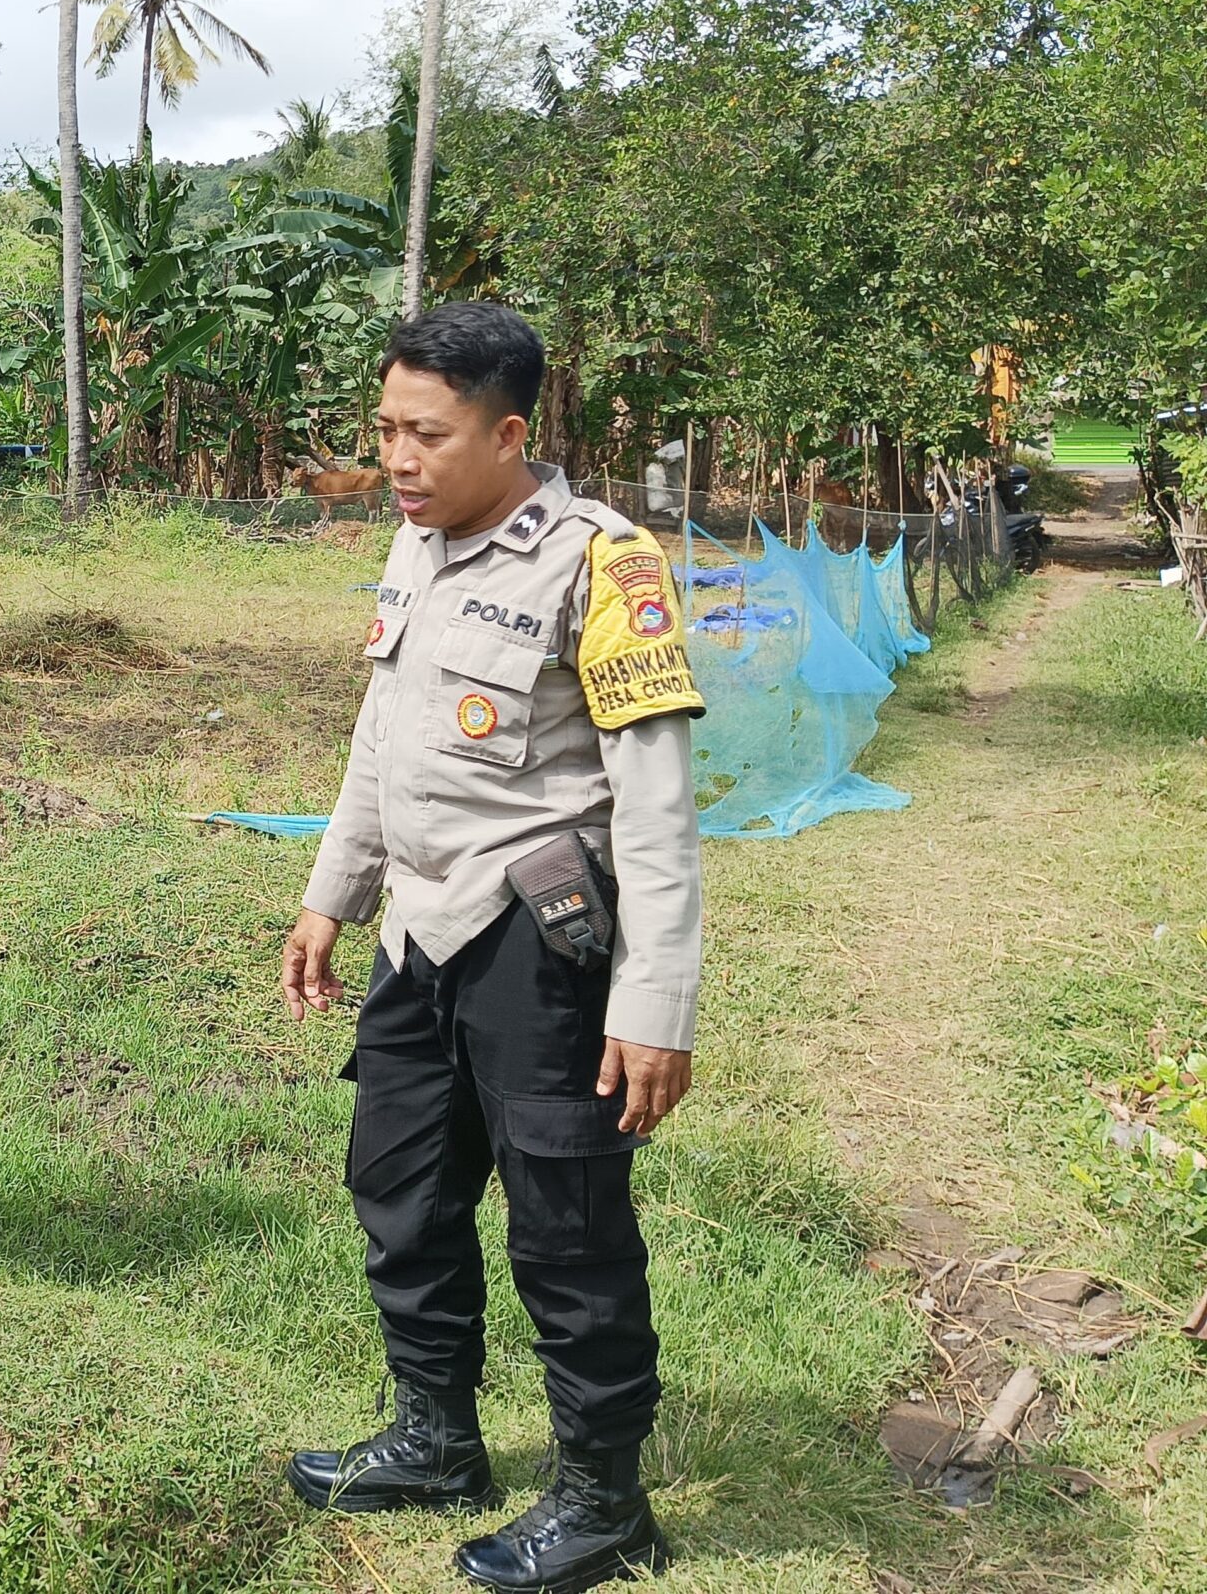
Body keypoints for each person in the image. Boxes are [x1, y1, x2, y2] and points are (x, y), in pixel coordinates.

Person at [278, 302, 705, 1591]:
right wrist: (329, 895)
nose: (397, 460)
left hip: (536, 934)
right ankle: (436, 1433)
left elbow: (657, 800)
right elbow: (380, 736)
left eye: (427, 434)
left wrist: (657, 999)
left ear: (509, 431)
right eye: (386, 431)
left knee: (565, 1227)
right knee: (400, 1188)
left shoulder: (604, 561)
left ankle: (601, 1497)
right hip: (417, 926)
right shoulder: (417, 545)